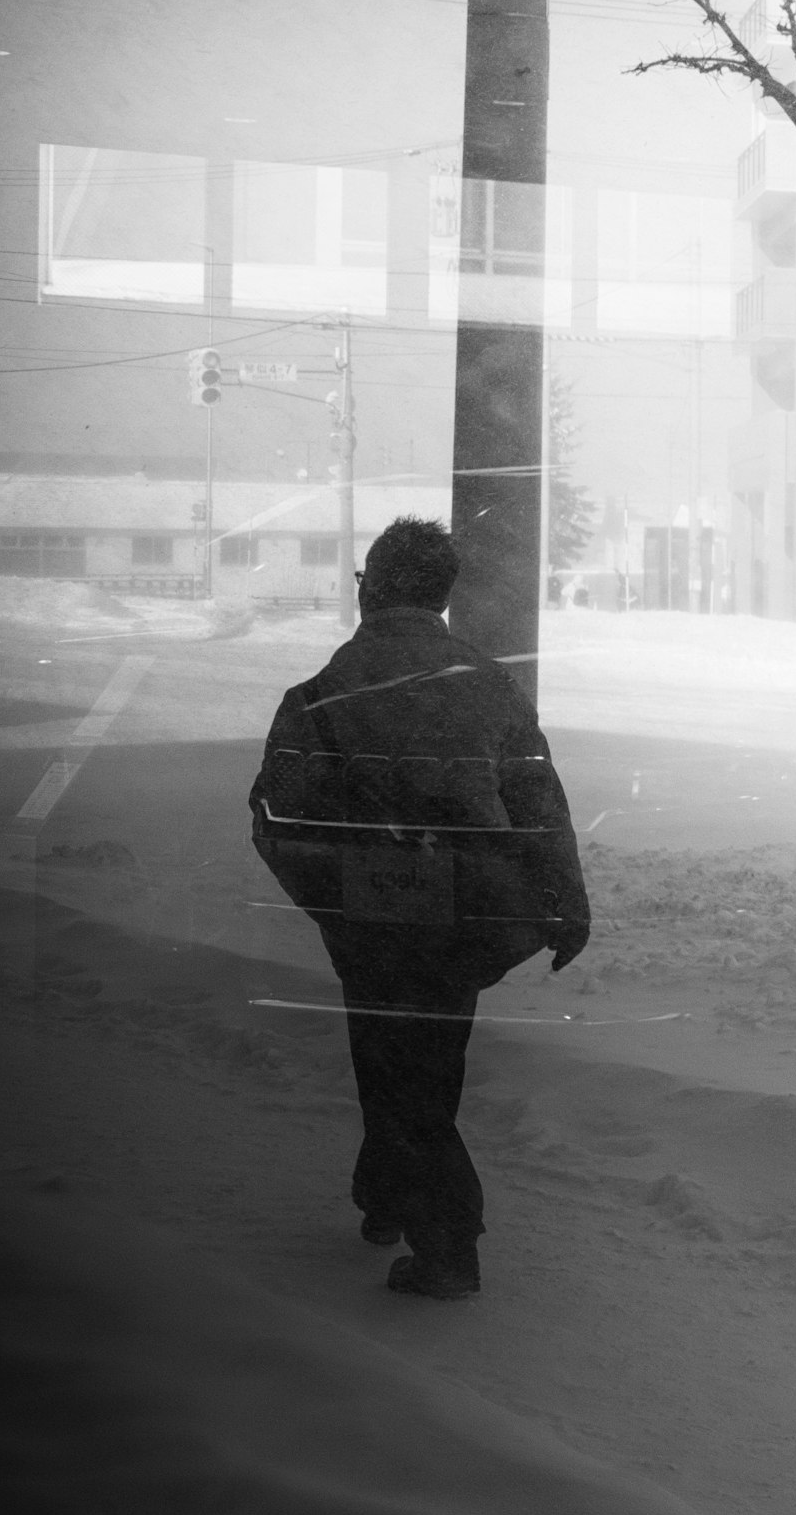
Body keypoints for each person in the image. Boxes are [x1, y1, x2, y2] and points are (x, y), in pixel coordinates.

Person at [247, 517, 589, 1301]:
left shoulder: (323, 693)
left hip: (369, 921)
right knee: (424, 1060)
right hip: (467, 913)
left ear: (371, 589)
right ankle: (387, 1195)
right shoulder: (490, 683)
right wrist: (564, 906)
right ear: (441, 596)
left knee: (392, 1061)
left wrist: (333, 897)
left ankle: (447, 1245)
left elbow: (281, 817)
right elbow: (540, 803)